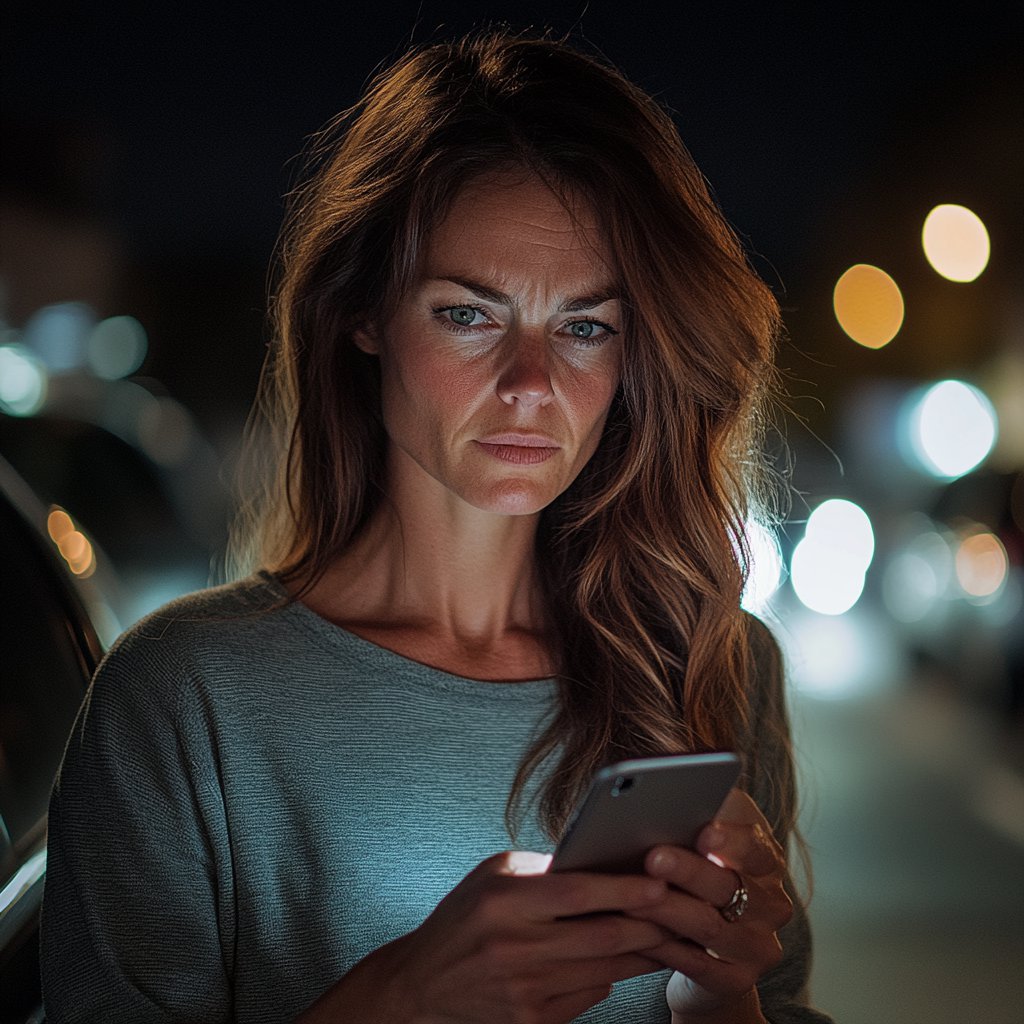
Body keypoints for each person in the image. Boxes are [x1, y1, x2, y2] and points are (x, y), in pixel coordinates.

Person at [41, 30, 834, 1024]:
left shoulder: (711, 662)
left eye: (585, 326)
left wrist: (719, 999)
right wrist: (399, 1000)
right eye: (470, 313)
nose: (533, 384)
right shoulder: (185, 698)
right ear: (363, 311)